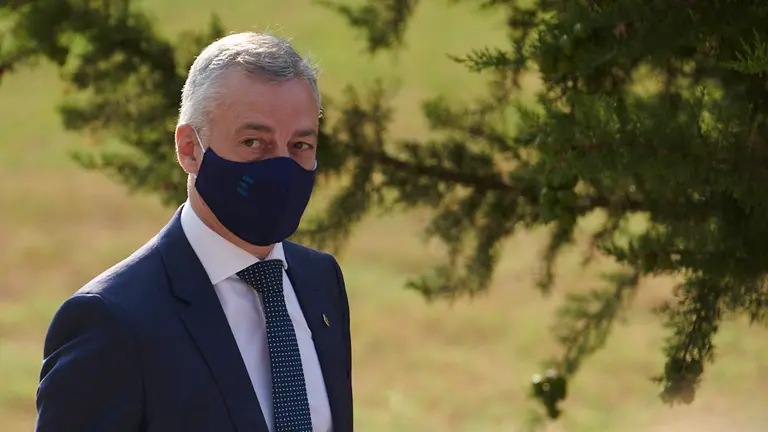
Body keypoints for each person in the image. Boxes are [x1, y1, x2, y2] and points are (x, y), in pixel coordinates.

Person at [35, 32, 352, 432]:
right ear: (189, 149)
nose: (281, 167)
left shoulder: (319, 281)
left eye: (300, 145)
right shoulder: (112, 322)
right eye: (253, 141)